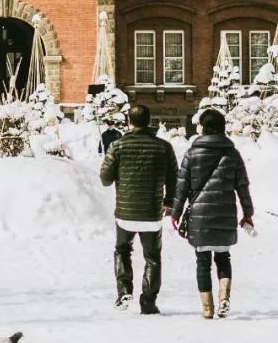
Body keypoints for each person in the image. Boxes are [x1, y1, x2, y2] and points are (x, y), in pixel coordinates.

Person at [171, 108, 254, 320]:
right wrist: (247, 213)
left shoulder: (191, 153)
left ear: (203, 127)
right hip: (225, 214)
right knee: (223, 257)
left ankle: (207, 308)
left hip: (200, 215)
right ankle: (224, 297)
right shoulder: (232, 154)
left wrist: (176, 212)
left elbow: (181, 186)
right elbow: (242, 186)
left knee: (202, 261)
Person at [99, 104, 177, 315]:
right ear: (149, 121)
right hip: (152, 212)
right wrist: (169, 202)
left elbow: (105, 179)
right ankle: (148, 302)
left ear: (129, 122)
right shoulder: (164, 147)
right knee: (153, 257)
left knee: (123, 250)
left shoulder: (117, 145)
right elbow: (173, 178)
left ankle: (124, 291)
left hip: (125, 212)